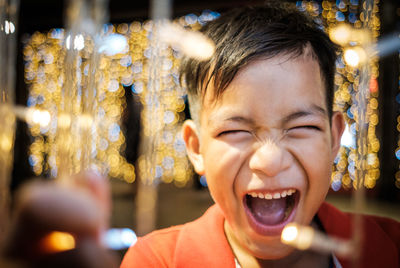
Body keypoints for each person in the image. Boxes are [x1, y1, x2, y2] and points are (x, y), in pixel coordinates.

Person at [120, 2, 400, 268]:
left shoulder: (390, 246)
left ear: (334, 137)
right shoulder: (157, 260)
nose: (269, 161)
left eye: (302, 128)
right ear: (196, 147)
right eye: (234, 131)